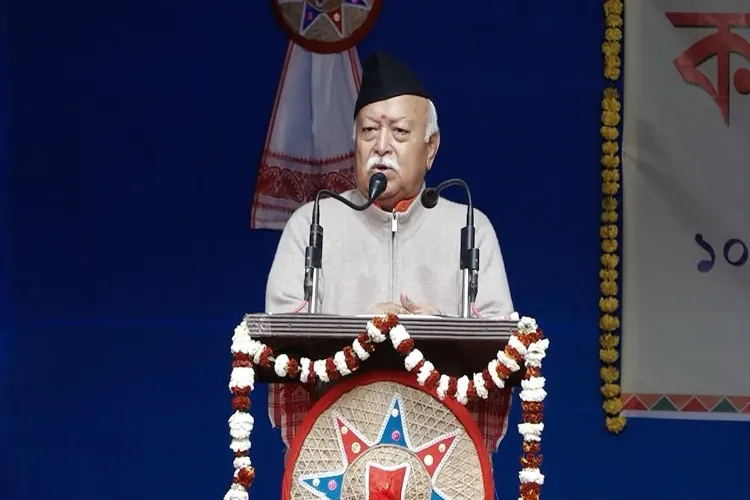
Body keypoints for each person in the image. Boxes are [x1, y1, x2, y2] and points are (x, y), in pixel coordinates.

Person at [264, 51, 515, 458]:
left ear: (430, 148)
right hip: (338, 445)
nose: (381, 147)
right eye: (368, 132)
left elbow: (500, 342)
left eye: (399, 132)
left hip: (442, 447)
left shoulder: (469, 227)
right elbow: (283, 334)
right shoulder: (313, 222)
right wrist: (370, 328)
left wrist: (436, 331)